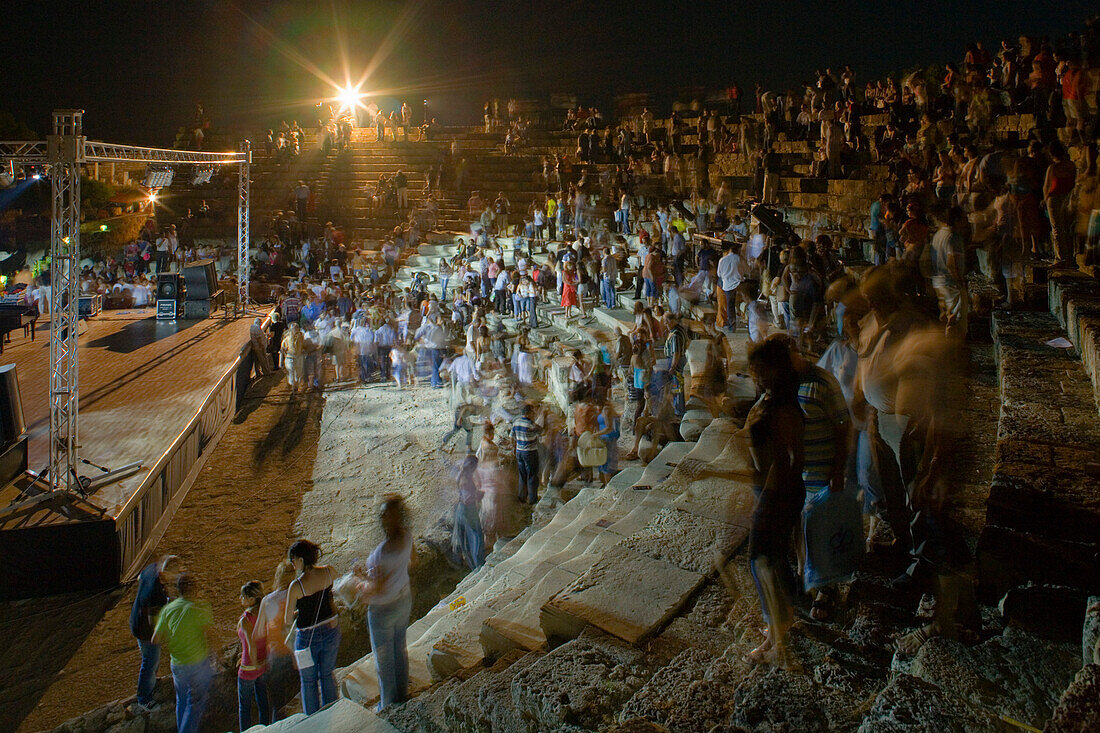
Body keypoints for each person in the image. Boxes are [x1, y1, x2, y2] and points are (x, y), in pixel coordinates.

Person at [743, 338, 804, 668]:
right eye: (754, 371)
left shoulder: (782, 408)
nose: (756, 376)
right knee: (768, 562)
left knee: (763, 562)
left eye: (761, 371)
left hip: (776, 493)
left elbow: (789, 459)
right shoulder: (772, 399)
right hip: (773, 492)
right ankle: (778, 629)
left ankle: (779, 643)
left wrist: (768, 498)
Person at [360, 495, 416, 711]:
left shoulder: (381, 553)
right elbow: (414, 561)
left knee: (384, 660)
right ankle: (402, 695)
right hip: (403, 600)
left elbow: (376, 589)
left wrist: (359, 584)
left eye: (385, 514)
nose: (382, 517)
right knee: (399, 650)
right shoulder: (407, 536)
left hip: (383, 610)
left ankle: (388, 706)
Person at [151, 573, 215, 733]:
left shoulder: (168, 609)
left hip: (177, 664)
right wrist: (217, 655)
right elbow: (211, 635)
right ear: (194, 589)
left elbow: (155, 639)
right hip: (197, 663)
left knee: (182, 701)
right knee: (197, 701)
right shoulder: (199, 608)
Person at [283, 539, 340, 715]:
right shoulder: (328, 571)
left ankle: (313, 720)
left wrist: (298, 613)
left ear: (301, 559)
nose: (292, 563)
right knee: (327, 674)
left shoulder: (296, 586)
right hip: (331, 630)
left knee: (308, 681)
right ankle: (333, 712)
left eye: (293, 559)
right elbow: (335, 592)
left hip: (306, 639)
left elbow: (287, 619)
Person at [129, 555, 181, 712]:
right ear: (165, 573)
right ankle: (144, 698)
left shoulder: (151, 569)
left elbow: (139, 578)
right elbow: (155, 622)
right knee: (150, 660)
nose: (176, 576)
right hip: (145, 631)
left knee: (152, 659)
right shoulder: (155, 592)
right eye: (175, 573)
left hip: (136, 619)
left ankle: (151, 681)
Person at [253, 560, 296, 722]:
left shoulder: (267, 600)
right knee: (299, 696)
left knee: (277, 702)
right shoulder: (296, 595)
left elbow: (258, 632)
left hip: (275, 654)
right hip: (295, 652)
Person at [237, 581, 271, 731]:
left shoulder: (245, 619)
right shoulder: (266, 613)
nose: (240, 598)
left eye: (243, 596)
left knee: (244, 707)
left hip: (249, 667)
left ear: (251, 599)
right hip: (264, 663)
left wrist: (254, 663)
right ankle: (265, 728)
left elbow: (251, 645)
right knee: (262, 701)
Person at [452, 455, 485, 569]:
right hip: (468, 510)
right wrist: (478, 496)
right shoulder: (467, 480)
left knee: (465, 539)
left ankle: (471, 563)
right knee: (475, 538)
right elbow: (468, 498)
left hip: (461, 509)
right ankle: (478, 566)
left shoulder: (461, 475)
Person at [511, 403, 541, 504]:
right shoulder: (531, 424)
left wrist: (514, 449)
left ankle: (522, 497)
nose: (534, 414)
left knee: (522, 475)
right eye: (532, 412)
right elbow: (541, 431)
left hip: (519, 452)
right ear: (528, 413)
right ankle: (532, 499)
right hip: (530, 453)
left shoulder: (516, 422)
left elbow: (512, 437)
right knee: (532, 475)